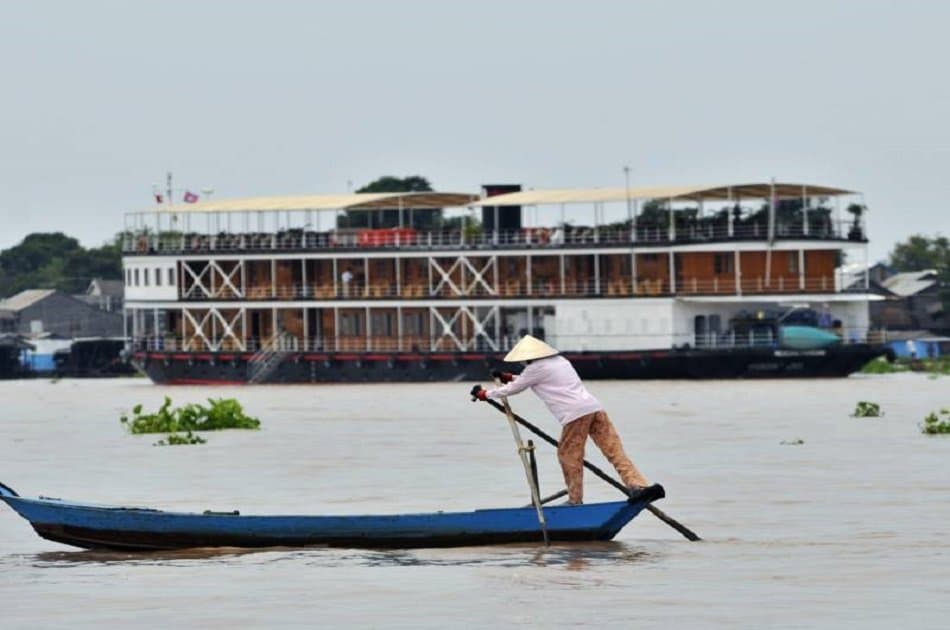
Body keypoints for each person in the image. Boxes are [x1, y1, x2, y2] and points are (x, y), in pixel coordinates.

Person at [470, 335, 664, 506]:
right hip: (594, 408)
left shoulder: (536, 368)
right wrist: (508, 377)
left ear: (529, 357)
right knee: (613, 450)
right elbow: (532, 379)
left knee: (568, 455)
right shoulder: (560, 360)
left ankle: (575, 500)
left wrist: (485, 393)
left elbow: (515, 388)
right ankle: (637, 485)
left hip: (575, 414)